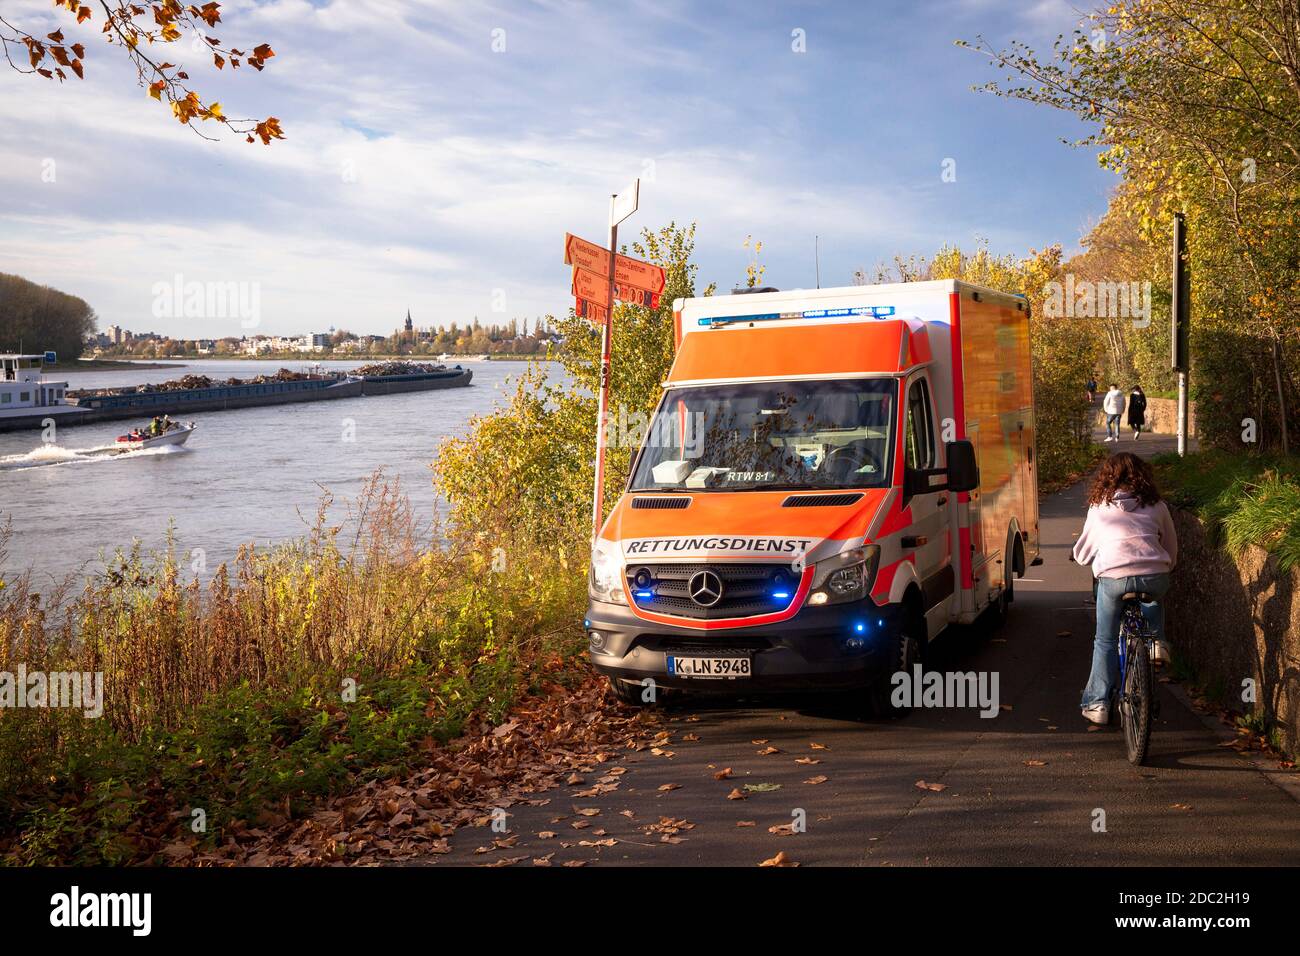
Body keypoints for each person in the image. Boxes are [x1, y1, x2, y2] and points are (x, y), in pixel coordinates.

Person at [1072, 452, 1177, 725]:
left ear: (1107, 478)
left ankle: (1097, 704)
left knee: (1105, 640)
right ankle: (1155, 642)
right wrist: (1164, 566)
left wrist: (1080, 556)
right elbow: (1171, 549)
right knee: (1154, 596)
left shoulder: (1099, 508)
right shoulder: (1158, 506)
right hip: (1154, 575)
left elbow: (1083, 554)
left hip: (1114, 578)